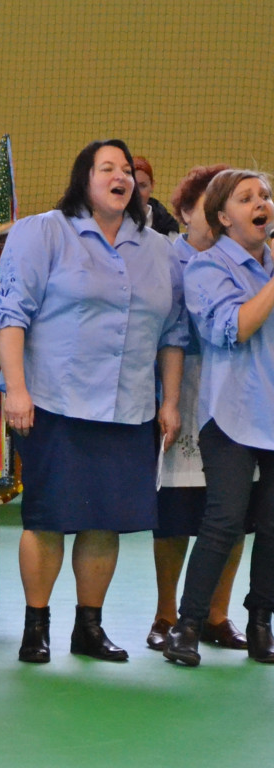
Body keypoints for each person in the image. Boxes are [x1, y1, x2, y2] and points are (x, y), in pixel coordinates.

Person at [0, 139, 188, 663]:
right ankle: (37, 628)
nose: (120, 176)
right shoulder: (44, 232)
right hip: (53, 402)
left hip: (129, 410)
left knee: (106, 520)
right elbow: (10, 316)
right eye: (108, 168)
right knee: (48, 517)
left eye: (126, 170)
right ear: (85, 178)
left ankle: (89, 628)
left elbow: (173, 333)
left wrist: (169, 401)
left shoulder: (160, 249)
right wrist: (17, 390)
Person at [165, 169, 274, 667]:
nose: (262, 203)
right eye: (247, 197)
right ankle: (186, 627)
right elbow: (235, 328)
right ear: (224, 218)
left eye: (266, 195)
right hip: (229, 413)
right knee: (224, 520)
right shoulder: (206, 269)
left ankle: (260, 624)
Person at [147, 164, 248, 652]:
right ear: (185, 212)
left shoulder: (251, 260)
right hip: (182, 389)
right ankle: (167, 614)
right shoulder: (168, 260)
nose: (215, 213)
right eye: (205, 204)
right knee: (175, 515)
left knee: (232, 512)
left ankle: (216, 615)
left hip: (236, 393)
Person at [133, 156, 180, 238]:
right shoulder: (112, 221)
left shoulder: (167, 226)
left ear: (152, 185)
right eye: (132, 186)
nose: (137, 193)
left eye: (142, 186)